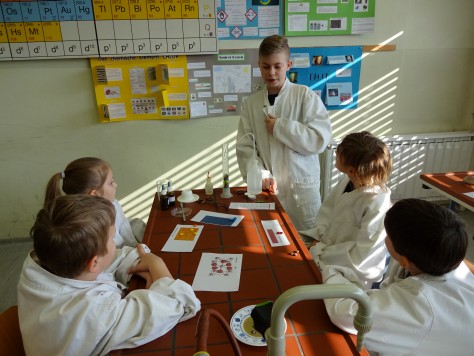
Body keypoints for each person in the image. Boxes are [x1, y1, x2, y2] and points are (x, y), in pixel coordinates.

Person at [17, 194, 201, 355]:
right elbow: (179, 304)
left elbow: (113, 260)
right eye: (113, 239)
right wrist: (157, 266)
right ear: (94, 262)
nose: (116, 244)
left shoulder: (42, 263)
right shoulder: (95, 310)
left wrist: (139, 262)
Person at [322, 199, 474, 354]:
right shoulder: (444, 257)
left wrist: (331, 272)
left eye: (388, 235)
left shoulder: (418, 302)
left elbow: (345, 314)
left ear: (404, 260)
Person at [236, 34, 332, 231]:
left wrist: (280, 127)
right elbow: (246, 146)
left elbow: (319, 139)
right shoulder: (251, 104)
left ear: (288, 65)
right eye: (266, 66)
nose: (271, 72)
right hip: (269, 190)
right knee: (271, 239)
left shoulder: (304, 95)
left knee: (307, 243)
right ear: (259, 65)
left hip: (302, 191)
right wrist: (260, 174)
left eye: (277, 66)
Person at [301, 131, 392, 288]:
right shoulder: (348, 181)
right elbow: (328, 213)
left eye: (338, 153)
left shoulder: (376, 204)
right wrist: (320, 240)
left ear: (352, 170)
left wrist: (322, 251)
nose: (336, 153)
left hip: (348, 273)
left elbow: (364, 258)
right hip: (325, 250)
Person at [44, 157, 144, 248]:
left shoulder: (112, 203)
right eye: (110, 182)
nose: (115, 184)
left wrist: (136, 244)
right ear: (94, 194)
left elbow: (123, 226)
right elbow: (113, 251)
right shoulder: (89, 225)